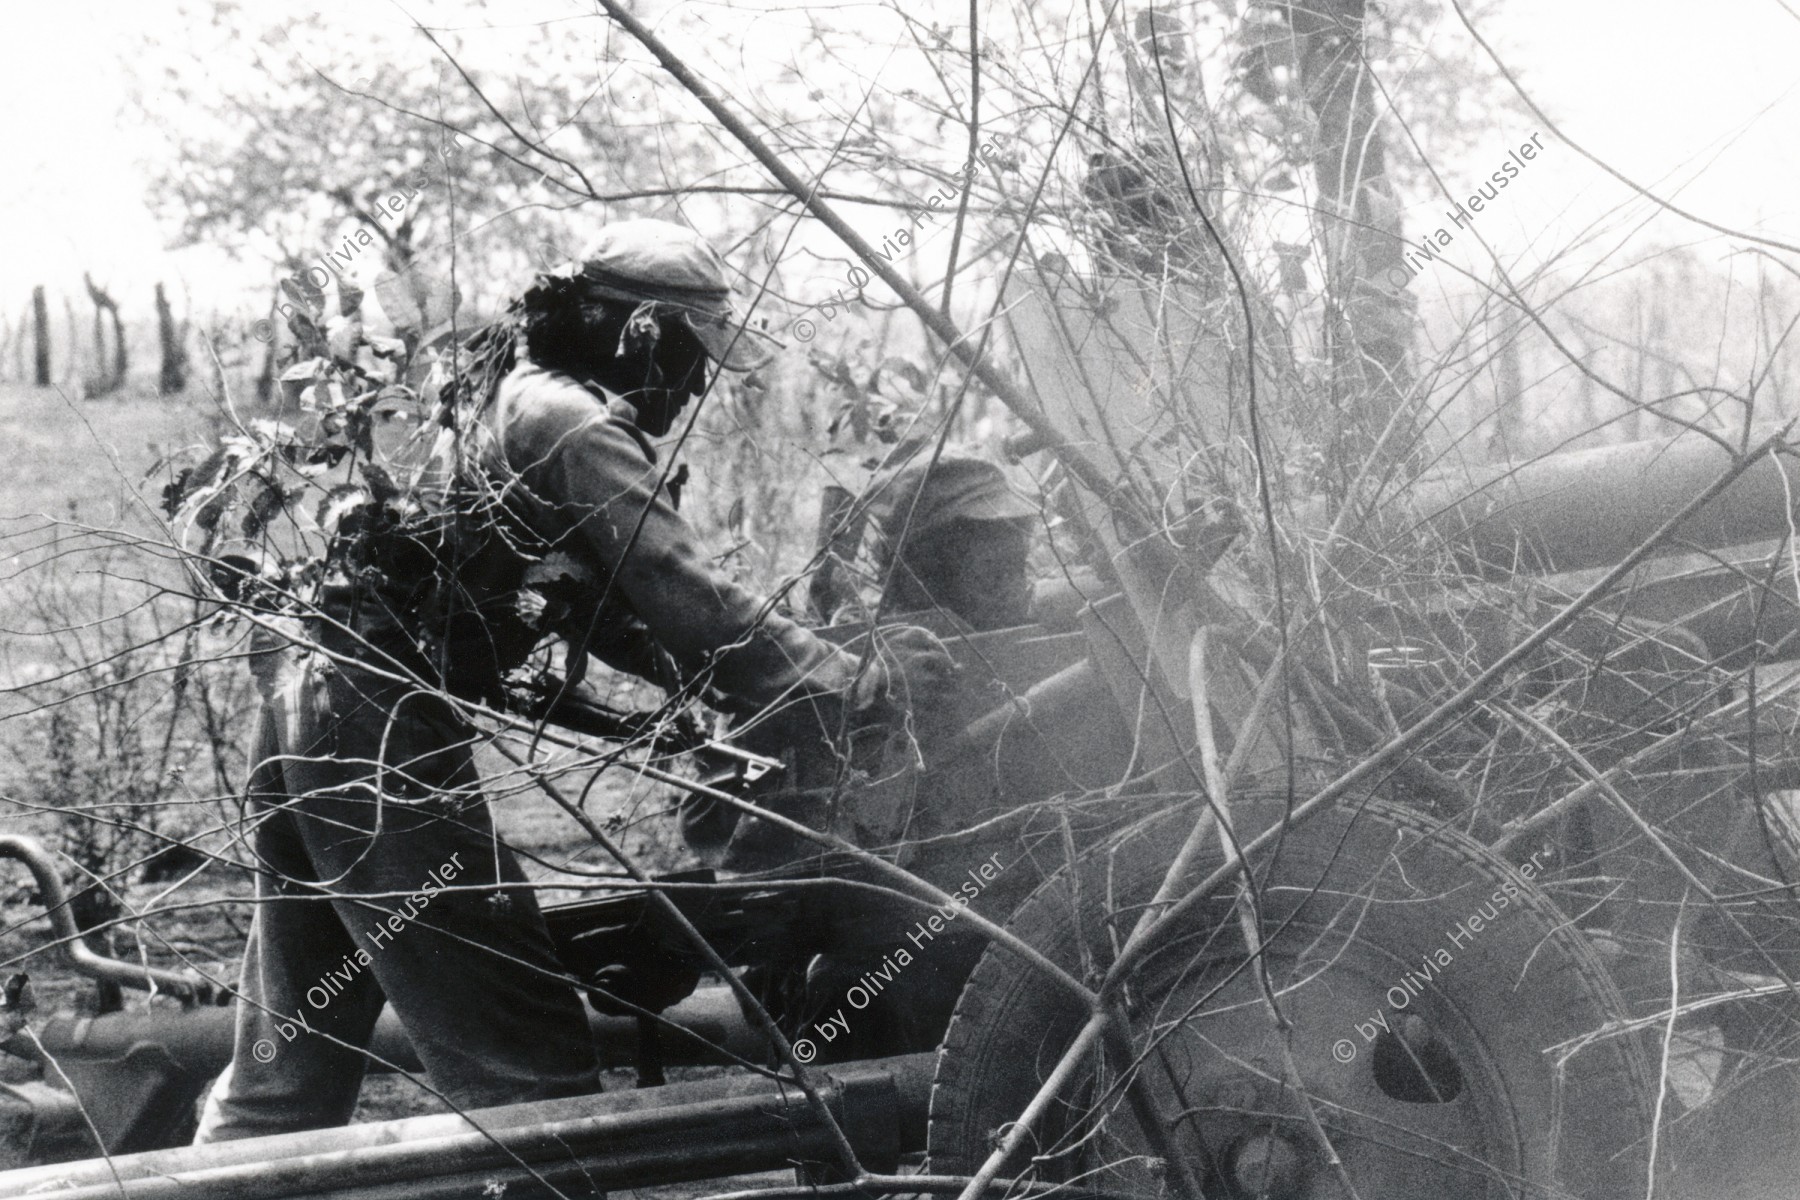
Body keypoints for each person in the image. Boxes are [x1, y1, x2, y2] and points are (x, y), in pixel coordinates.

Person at [196, 218, 950, 1141]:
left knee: (287, 1066)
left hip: (310, 697)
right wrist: (850, 679)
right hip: (373, 726)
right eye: (690, 354)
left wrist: (743, 699)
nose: (694, 384)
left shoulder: (505, 394)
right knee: (528, 1070)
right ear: (639, 332)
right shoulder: (575, 423)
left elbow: (617, 616)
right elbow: (680, 591)